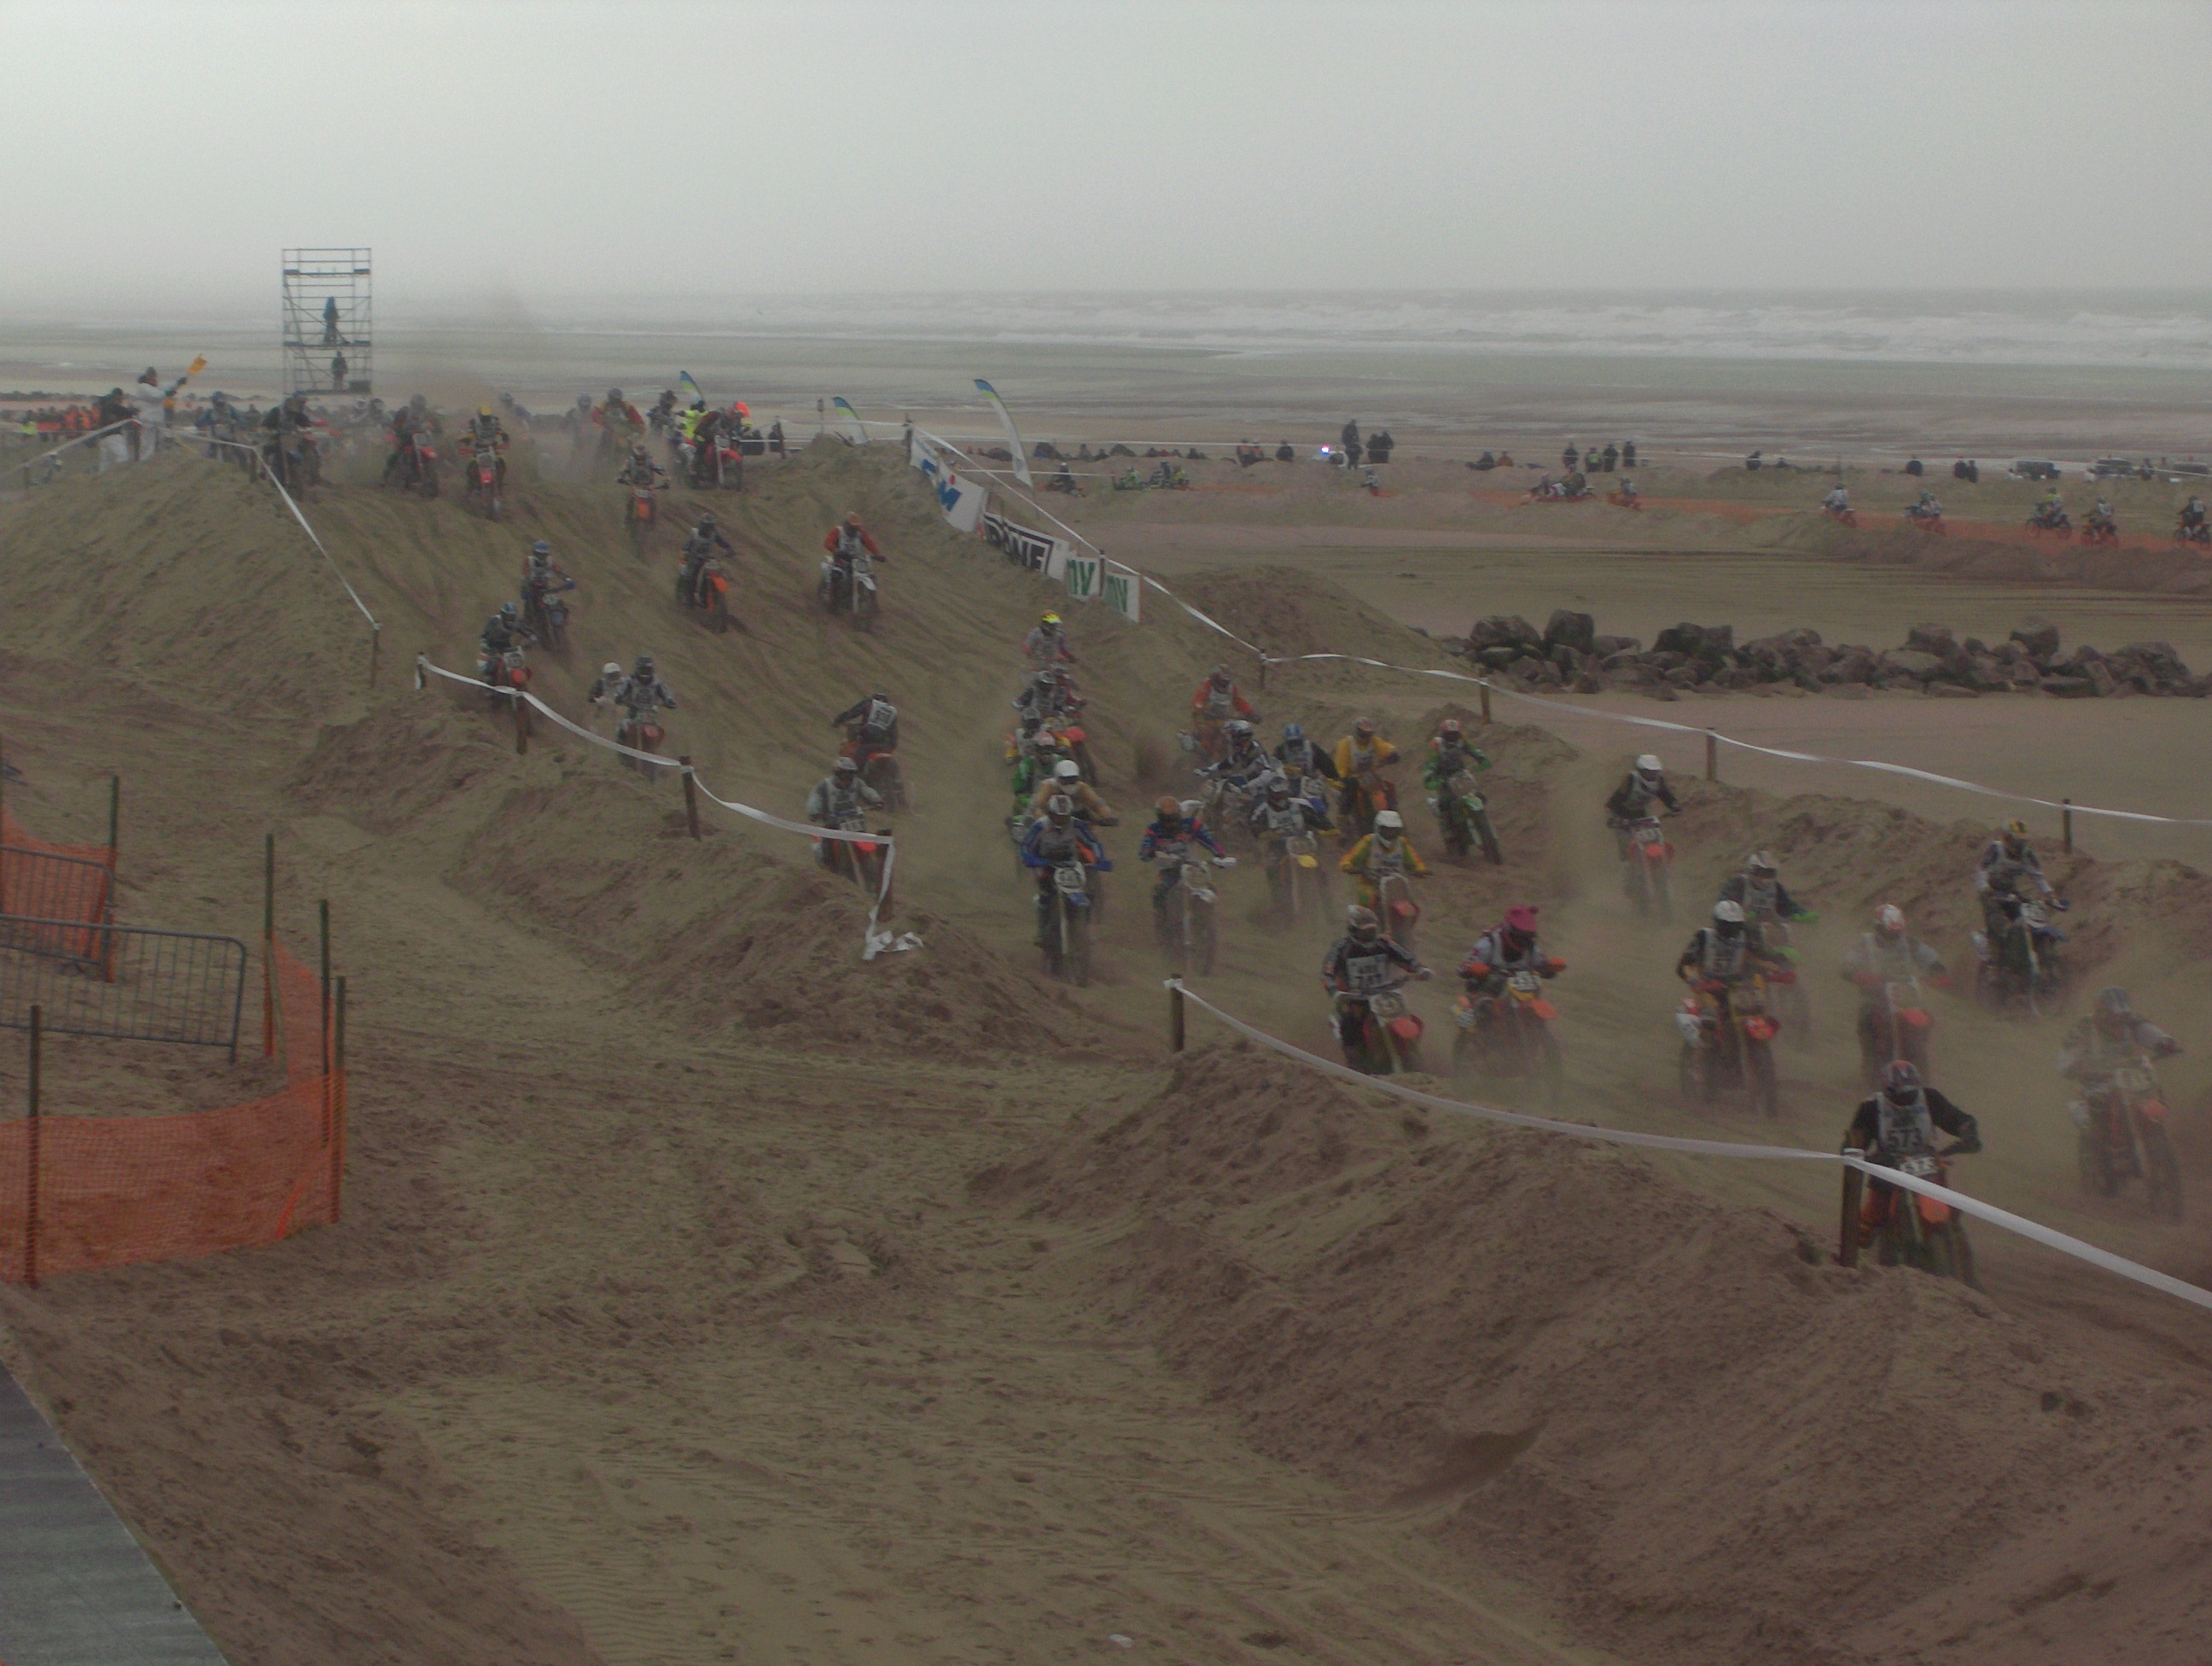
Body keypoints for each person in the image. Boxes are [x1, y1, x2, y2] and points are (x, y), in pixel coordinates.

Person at [1842, 1061, 1981, 1244]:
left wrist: (1968, 1133)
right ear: (1888, 1091)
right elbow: (1853, 1144)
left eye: (1910, 1095)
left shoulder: (1930, 1099)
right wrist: (1863, 1156)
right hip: (1887, 1168)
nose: (1905, 1100)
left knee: (1952, 1211)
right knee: (1865, 1227)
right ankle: (1862, 1254)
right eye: (1900, 1097)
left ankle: (1957, 1244)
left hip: (1927, 1163)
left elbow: (1958, 1119)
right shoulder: (1871, 1108)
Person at [1320, 905, 1430, 1067]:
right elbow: (1327, 972)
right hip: (1356, 997)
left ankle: (1411, 1051)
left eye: (1371, 930)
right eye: (1365, 931)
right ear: (1353, 930)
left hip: (1386, 992)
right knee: (1350, 1024)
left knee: (1406, 1014)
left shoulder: (1384, 943)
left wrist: (1419, 969)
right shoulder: (1341, 948)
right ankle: (1356, 1064)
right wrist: (1334, 990)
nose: (1369, 935)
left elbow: (1405, 957)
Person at [2058, 987, 2180, 1124]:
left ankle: (2167, 1129)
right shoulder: (2082, 1027)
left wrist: (2163, 1042)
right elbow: (2066, 1056)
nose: (2117, 1023)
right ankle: (2094, 1135)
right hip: (2095, 1084)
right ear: (2099, 1014)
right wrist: (2071, 1066)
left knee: (2157, 1102)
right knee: (2088, 1116)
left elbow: (2147, 1031)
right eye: (2110, 1017)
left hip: (2132, 1079)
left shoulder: (2131, 1023)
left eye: (2121, 1018)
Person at [1022, 795, 1112, 945]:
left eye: (1064, 817)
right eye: (1058, 817)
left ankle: (1084, 928)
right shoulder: (1040, 826)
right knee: (1044, 894)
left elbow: (1093, 842)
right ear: (1051, 814)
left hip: (1069, 863)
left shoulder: (1077, 825)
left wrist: (1099, 859)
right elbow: (1026, 846)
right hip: (1044, 862)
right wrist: (1030, 859)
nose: (1061, 820)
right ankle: (1042, 930)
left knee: (1085, 893)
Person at [1248, 773, 1335, 904]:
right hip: (1278, 846)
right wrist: (1267, 834)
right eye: (1277, 795)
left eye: (1283, 794)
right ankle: (1277, 901)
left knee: (1319, 867)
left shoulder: (1301, 805)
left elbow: (1319, 820)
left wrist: (1329, 829)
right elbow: (1255, 828)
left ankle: (1328, 904)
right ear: (1270, 794)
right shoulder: (1263, 810)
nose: (1281, 797)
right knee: (1271, 867)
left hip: (1302, 842)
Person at [1138, 795, 1224, 921]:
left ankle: (1208, 920)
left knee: (1209, 888)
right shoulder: (1154, 830)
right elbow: (1145, 847)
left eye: (1173, 819)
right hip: (1168, 870)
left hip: (1193, 868)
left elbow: (1208, 839)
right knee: (1159, 891)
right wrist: (1148, 852)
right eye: (1167, 820)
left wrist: (1219, 854)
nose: (1171, 824)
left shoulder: (1191, 824)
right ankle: (1162, 925)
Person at [1338, 807, 1429, 912]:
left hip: (1395, 887)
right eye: (1386, 829)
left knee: (1413, 908)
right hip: (1371, 885)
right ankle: (1363, 919)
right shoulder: (1369, 842)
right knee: (1367, 899)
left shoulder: (1402, 843)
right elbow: (1350, 857)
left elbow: (1414, 861)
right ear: (1378, 828)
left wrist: (1420, 870)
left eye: (1393, 830)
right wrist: (1348, 866)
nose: (1390, 833)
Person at [1331, 718, 1401, 833]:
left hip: (1368, 775)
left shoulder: (1374, 741)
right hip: (1348, 777)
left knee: (1388, 786)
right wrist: (1342, 779)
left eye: (1368, 734)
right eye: (1363, 734)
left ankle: (1394, 811)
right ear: (1356, 732)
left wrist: (1391, 754)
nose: (1366, 737)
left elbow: (1386, 748)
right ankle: (1343, 821)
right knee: (1351, 790)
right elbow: (1340, 767)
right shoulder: (1346, 744)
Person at [1606, 753, 1679, 858]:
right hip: (1622, 813)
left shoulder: (1658, 780)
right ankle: (1626, 864)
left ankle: (1655, 860)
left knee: (1651, 837)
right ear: (1641, 770)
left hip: (1640, 813)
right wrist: (1613, 817)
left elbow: (1665, 794)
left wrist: (1674, 805)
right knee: (1626, 844)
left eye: (1654, 771)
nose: (1652, 774)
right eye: (1649, 771)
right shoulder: (1632, 779)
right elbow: (1617, 798)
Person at [1718, 851, 1813, 929]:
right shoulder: (1739, 884)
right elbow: (1723, 905)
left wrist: (1801, 914)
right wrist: (1740, 915)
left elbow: (1786, 906)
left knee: (1785, 934)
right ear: (1752, 871)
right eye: (1763, 873)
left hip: (1766, 931)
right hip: (1738, 929)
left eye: (1770, 873)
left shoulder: (1776, 888)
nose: (1766, 878)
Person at [1189, 665, 1258, 759]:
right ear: (1214, 678)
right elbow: (1197, 701)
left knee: (1234, 733)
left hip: (1222, 718)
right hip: (1203, 717)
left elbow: (1239, 702)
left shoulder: (1232, 689)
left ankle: (1233, 756)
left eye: (1225, 682)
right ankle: (1204, 752)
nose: (1222, 685)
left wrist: (1250, 713)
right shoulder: (1206, 685)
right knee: (1210, 733)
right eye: (1220, 681)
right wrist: (1202, 710)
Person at [1029, 755, 1118, 824]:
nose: (1069, 783)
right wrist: (1043, 819)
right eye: (1065, 780)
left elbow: (1096, 803)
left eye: (1072, 780)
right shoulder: (1049, 786)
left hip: (1077, 819)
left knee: (1091, 839)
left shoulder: (1082, 787)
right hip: (1051, 819)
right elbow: (1036, 806)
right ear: (1058, 778)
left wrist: (1107, 816)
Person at [830, 690, 900, 772]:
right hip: (883, 745)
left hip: (868, 739)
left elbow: (853, 712)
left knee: (857, 756)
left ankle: (853, 771)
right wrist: (890, 747)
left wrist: (838, 720)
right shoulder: (892, 712)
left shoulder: (870, 703)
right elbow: (893, 734)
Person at [1273, 721, 1341, 802]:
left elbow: (1327, 764)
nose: (1295, 746)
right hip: (1290, 784)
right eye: (1291, 743)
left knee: (1321, 803)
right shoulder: (1281, 751)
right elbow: (1273, 767)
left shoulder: (1311, 748)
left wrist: (1335, 779)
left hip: (1311, 783)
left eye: (1297, 742)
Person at [679, 512, 736, 604]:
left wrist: (729, 548)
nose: (709, 529)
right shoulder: (694, 533)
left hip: (708, 559)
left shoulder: (714, 533)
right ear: (702, 525)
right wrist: (686, 554)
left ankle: (708, 594)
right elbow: (686, 547)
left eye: (711, 526)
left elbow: (722, 542)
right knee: (691, 578)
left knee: (718, 572)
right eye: (707, 526)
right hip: (694, 558)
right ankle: (689, 598)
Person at [478, 602, 534, 684]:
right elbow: (485, 634)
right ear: (503, 615)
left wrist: (532, 637)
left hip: (505, 645)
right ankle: (488, 681)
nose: (509, 619)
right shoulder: (495, 621)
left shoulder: (517, 622)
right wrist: (485, 645)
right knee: (493, 664)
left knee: (517, 662)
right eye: (508, 616)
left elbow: (525, 630)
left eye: (512, 616)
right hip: (491, 644)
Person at [616, 654, 676, 718]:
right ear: (637, 670)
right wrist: (618, 696)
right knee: (625, 723)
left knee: (659, 724)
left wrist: (669, 699)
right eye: (642, 670)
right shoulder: (630, 680)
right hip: (633, 713)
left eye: (648, 670)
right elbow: (621, 688)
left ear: (652, 670)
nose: (645, 672)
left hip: (651, 714)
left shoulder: (657, 682)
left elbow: (666, 692)